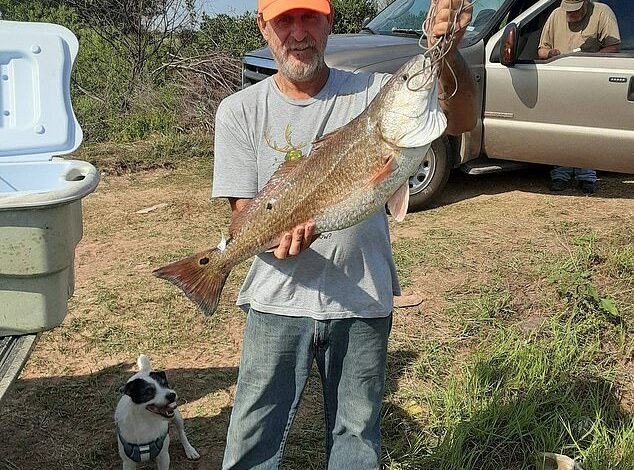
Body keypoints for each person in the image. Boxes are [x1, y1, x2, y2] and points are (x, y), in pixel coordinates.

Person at [211, 0, 476, 468]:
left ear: (329, 22)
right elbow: (241, 217)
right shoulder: (238, 111)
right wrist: (267, 239)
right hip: (275, 301)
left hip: (362, 297)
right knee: (251, 438)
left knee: (356, 440)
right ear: (263, 27)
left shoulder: (374, 91)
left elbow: (460, 120)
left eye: (309, 17)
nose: (298, 32)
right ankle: (207, 272)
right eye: (284, 20)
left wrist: (447, 50)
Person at [538, 0, 620, 194]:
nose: (570, 15)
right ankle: (560, 173)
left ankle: (587, 175)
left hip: (589, 81)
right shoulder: (556, 15)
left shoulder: (602, 12)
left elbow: (614, 47)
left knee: (587, 129)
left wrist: (590, 59)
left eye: (575, 11)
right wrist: (551, 53)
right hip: (560, 82)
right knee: (561, 130)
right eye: (568, 11)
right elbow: (541, 49)